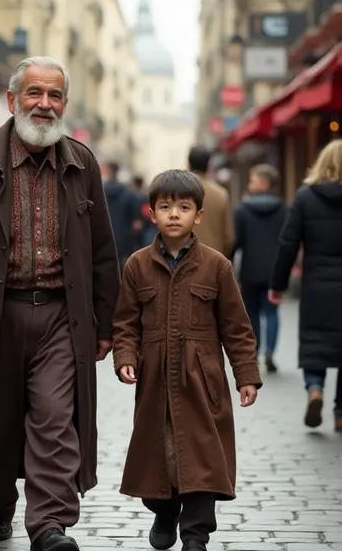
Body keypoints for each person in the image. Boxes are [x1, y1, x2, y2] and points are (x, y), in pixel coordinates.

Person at [0, 56, 120, 551]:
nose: (45, 105)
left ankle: (49, 524)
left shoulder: (82, 164)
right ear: (12, 101)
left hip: (61, 314)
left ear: (64, 104)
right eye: (35, 93)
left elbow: (102, 252)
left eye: (55, 96)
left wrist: (106, 324)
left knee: (55, 416)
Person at [113, 169, 261, 551]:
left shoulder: (217, 266)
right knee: (160, 452)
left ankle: (196, 535)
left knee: (202, 457)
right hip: (155, 382)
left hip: (203, 381)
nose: (174, 214)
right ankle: (163, 510)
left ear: (198, 215)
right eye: (165, 207)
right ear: (152, 213)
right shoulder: (136, 265)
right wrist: (126, 356)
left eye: (183, 207)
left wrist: (246, 374)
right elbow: (125, 322)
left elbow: (237, 327)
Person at [269, 139, 342, 431]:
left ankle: (315, 388)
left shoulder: (305, 197)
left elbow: (287, 243)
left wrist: (278, 284)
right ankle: (340, 413)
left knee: (315, 338)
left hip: (317, 284)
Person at [233, 164, 288, 373]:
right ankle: (270, 352)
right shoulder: (284, 209)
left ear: (264, 183)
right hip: (276, 270)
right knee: (272, 312)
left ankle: (254, 352)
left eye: (252, 180)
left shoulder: (242, 210)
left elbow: (237, 241)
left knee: (251, 313)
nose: (249, 184)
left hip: (250, 269)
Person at [188, 146, 234, 258]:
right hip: (214, 261)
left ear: (189, 165)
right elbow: (229, 238)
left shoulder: (179, 193)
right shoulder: (221, 194)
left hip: (184, 261)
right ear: (208, 165)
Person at [103, 162, 141, 272]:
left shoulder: (101, 191)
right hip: (124, 235)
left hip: (105, 234)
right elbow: (136, 221)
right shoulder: (128, 192)